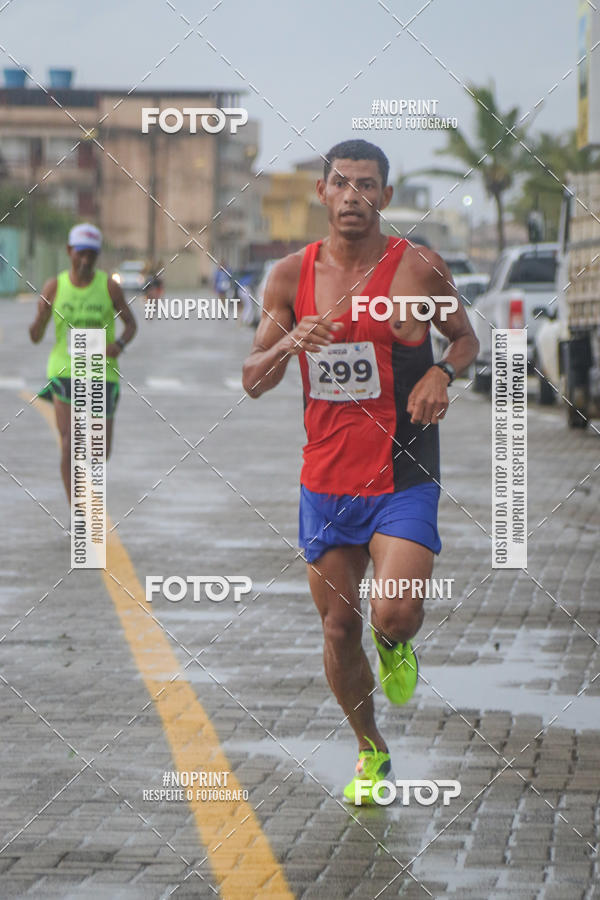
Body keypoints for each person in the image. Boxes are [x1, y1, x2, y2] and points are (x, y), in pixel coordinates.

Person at [242, 139, 479, 804]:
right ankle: (371, 750)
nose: (353, 196)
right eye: (341, 183)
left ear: (386, 196)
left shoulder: (419, 269)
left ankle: (397, 641)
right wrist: (291, 340)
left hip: (404, 474)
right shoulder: (289, 276)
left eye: (367, 185)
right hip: (326, 483)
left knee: (394, 613)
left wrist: (441, 369)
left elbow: (465, 337)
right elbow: (252, 379)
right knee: (338, 629)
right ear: (322, 193)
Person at [29, 223, 137, 502]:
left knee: (99, 450)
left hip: (102, 373)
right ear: (69, 252)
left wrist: (119, 345)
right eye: (81, 253)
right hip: (64, 370)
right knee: (69, 444)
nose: (86, 260)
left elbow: (131, 324)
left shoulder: (109, 287)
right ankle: (77, 510)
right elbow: (35, 337)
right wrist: (40, 317)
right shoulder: (55, 286)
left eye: (92, 254)